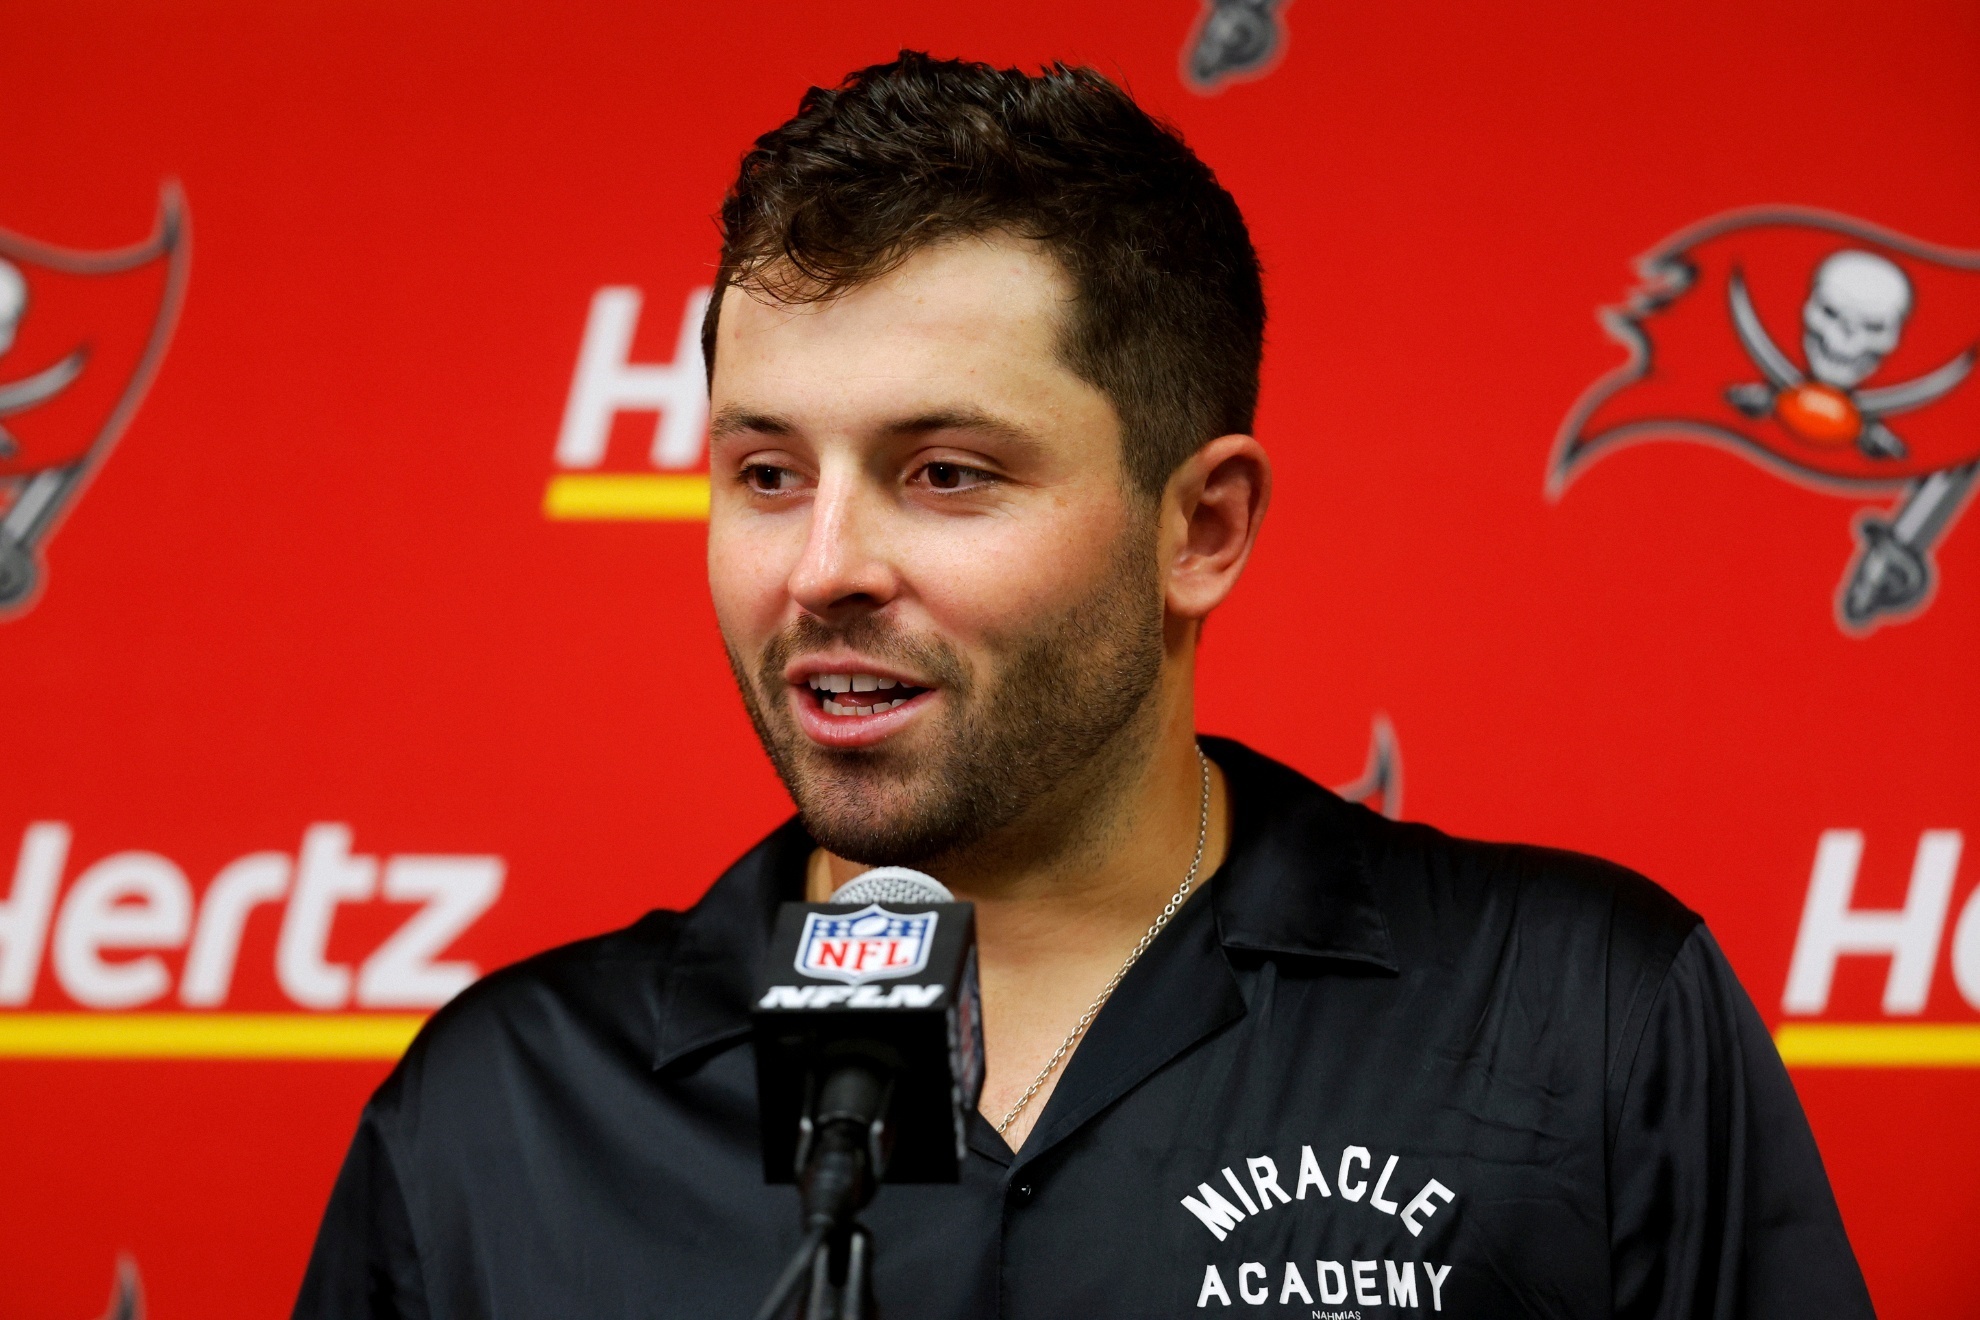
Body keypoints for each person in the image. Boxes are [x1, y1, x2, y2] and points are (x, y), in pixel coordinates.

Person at [294, 52, 1873, 1319]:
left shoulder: (1577, 1021)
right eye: (767, 472)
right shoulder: (501, 1115)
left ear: (1202, 526)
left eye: (947, 472)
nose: (821, 565)